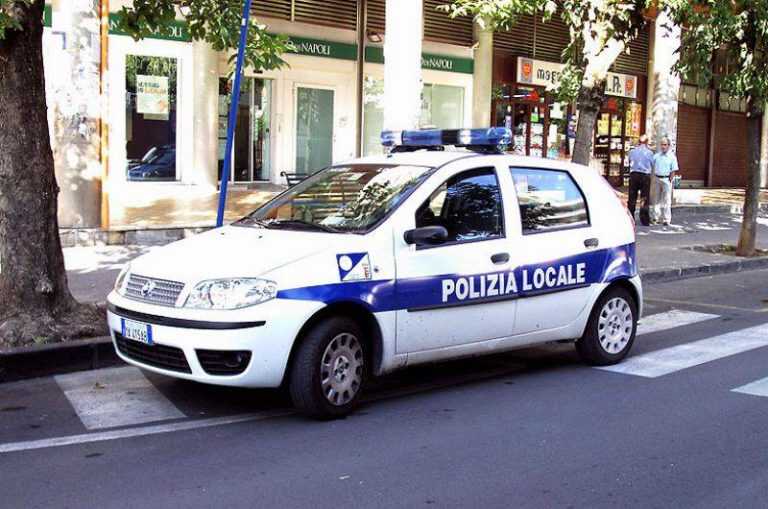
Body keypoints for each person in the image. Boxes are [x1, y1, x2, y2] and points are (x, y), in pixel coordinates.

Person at [627, 134, 654, 226]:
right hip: (645, 176)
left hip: (634, 175)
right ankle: (644, 219)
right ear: (646, 142)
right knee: (644, 198)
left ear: (639, 142)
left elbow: (630, 161)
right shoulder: (649, 153)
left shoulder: (632, 151)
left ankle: (630, 218)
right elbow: (652, 164)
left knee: (632, 198)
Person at [652, 137, 679, 226]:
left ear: (668, 146)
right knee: (656, 199)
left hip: (666, 179)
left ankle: (666, 219)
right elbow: (652, 166)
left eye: (665, 144)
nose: (663, 146)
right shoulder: (656, 156)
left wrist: (670, 180)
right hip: (657, 178)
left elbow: (673, 170)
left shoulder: (672, 157)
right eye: (662, 144)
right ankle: (656, 217)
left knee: (667, 200)